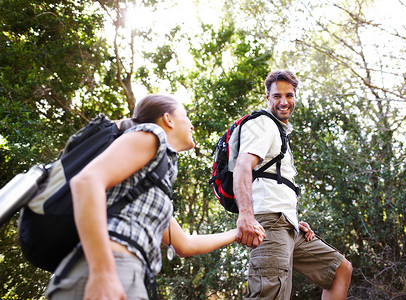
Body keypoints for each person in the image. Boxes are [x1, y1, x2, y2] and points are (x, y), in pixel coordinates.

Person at [46, 94, 265, 300]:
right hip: (108, 265)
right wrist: (102, 271)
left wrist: (238, 233)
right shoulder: (152, 135)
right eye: (186, 116)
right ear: (168, 119)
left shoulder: (149, 181)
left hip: (126, 272)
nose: (191, 124)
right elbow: (86, 182)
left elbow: (185, 245)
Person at [233, 70, 353, 299]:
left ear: (296, 96)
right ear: (267, 97)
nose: (283, 102)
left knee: (339, 269)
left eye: (289, 95)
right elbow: (242, 167)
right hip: (269, 225)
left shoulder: (280, 132)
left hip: (287, 224)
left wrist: (293, 220)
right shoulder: (263, 124)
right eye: (277, 96)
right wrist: (246, 215)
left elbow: (274, 183)